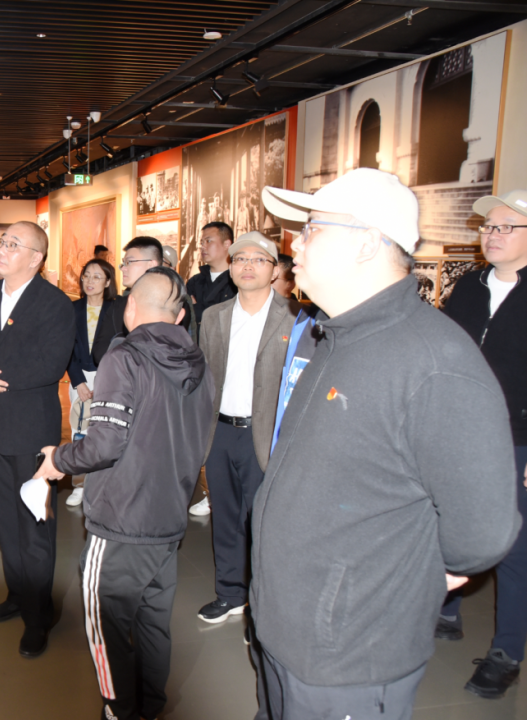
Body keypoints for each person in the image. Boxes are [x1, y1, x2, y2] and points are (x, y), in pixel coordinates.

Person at [250, 169, 520, 719]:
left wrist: (412, 572)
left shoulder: (433, 362)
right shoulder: (335, 336)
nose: (294, 244)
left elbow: (483, 531)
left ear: (367, 243)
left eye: (312, 229)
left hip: (348, 655)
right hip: (284, 629)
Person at [35, 267, 215, 720]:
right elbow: (201, 439)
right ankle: (150, 705)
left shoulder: (125, 357)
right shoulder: (198, 360)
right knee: (153, 621)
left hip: (121, 520)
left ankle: (119, 709)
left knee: (106, 627)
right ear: (179, 315)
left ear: (130, 307)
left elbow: (104, 445)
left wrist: (58, 459)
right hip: (168, 516)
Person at [0, 221, 76, 659]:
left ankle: (40, 614)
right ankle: (18, 594)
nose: (2, 250)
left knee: (35, 525)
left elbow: (50, 365)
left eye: (13, 244)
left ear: (36, 258)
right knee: (6, 521)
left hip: (31, 433)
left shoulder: (55, 304)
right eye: (1, 242)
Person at [438, 188, 527, 699]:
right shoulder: (468, 288)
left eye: (504, 227)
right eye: (488, 227)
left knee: (514, 545)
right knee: (449, 522)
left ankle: (506, 651)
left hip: (518, 441)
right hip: (458, 430)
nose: (491, 235)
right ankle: (446, 610)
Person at [194, 232, 294, 624]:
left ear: (275, 270)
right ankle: (230, 593)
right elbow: (205, 377)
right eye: (239, 259)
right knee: (225, 517)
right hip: (220, 431)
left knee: (266, 523)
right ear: (231, 268)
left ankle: (265, 605)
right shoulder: (214, 316)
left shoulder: (296, 318)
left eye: (258, 259)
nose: (247, 266)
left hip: (267, 437)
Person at [65, 257, 118, 508]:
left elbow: (122, 347)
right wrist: (79, 382)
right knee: (80, 431)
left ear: (107, 282)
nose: (90, 281)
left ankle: (106, 485)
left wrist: (106, 381)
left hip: (109, 377)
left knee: (107, 431)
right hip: (80, 378)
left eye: (97, 277)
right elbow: (66, 348)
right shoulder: (72, 309)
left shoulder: (117, 309)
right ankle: (79, 485)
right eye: (86, 275)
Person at [102, 236, 164, 348]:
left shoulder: (170, 304)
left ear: (151, 265)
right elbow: (100, 348)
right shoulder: (118, 305)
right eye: (123, 263)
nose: (123, 268)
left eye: (129, 262)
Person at [187, 221, 237, 341]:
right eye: (202, 242)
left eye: (208, 241)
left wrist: (197, 310)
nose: (203, 247)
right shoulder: (195, 281)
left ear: (227, 244)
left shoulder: (237, 283)